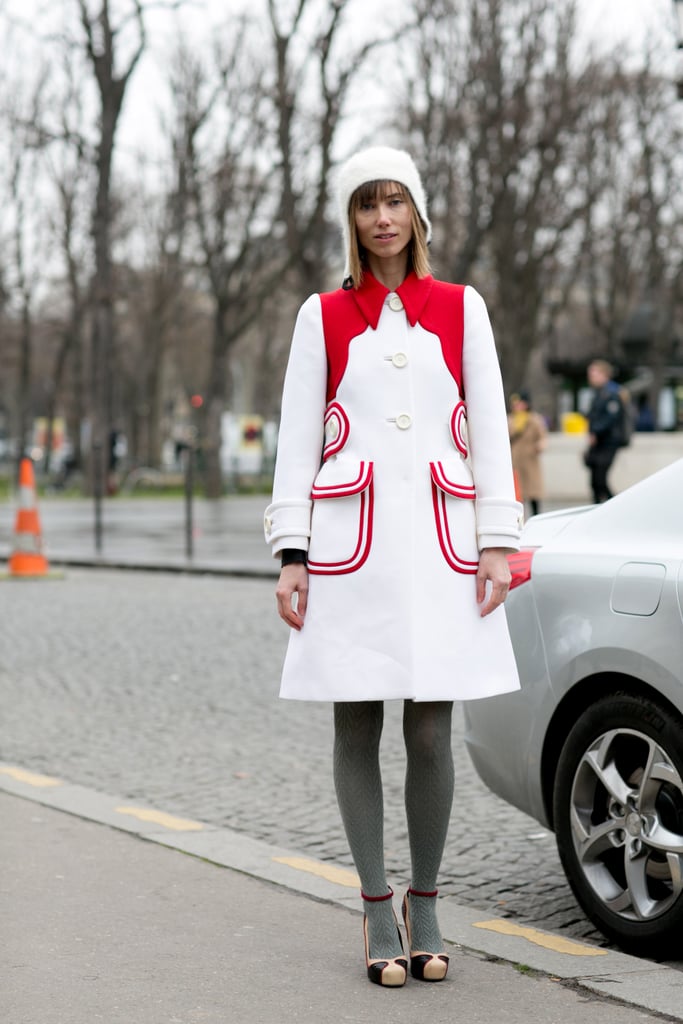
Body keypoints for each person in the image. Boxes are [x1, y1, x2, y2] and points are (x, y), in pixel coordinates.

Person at [264, 146, 522, 988]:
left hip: (441, 547)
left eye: (395, 202)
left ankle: (428, 901)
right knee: (354, 725)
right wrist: (291, 553)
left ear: (416, 213)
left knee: (429, 729)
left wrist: (495, 540)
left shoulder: (459, 306)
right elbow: (297, 439)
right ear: (351, 220)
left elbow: (486, 426)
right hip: (350, 549)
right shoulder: (323, 314)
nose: (382, 218)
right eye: (367, 204)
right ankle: (376, 906)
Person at [585, 359, 624, 504]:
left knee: (600, 480)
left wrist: (595, 432)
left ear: (604, 375)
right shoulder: (598, 394)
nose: (591, 377)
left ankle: (616, 507)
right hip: (598, 443)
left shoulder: (611, 394)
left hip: (608, 442)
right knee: (595, 482)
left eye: (594, 374)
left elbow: (610, 418)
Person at [507, 390, 546, 517]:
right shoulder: (511, 420)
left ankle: (536, 516)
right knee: (518, 492)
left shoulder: (534, 419)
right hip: (515, 459)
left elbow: (542, 436)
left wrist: (540, 445)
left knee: (533, 490)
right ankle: (518, 517)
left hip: (530, 459)